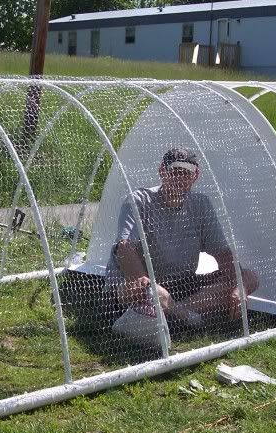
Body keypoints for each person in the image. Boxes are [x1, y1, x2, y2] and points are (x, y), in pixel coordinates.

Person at [104, 147, 258, 345]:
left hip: (181, 285)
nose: (180, 178)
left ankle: (172, 312)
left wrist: (239, 288)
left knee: (249, 277)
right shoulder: (139, 201)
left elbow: (223, 255)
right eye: (175, 172)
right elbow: (124, 249)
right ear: (162, 171)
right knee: (145, 292)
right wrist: (150, 285)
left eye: (186, 173)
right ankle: (180, 314)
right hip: (141, 284)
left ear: (195, 176)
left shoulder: (201, 204)